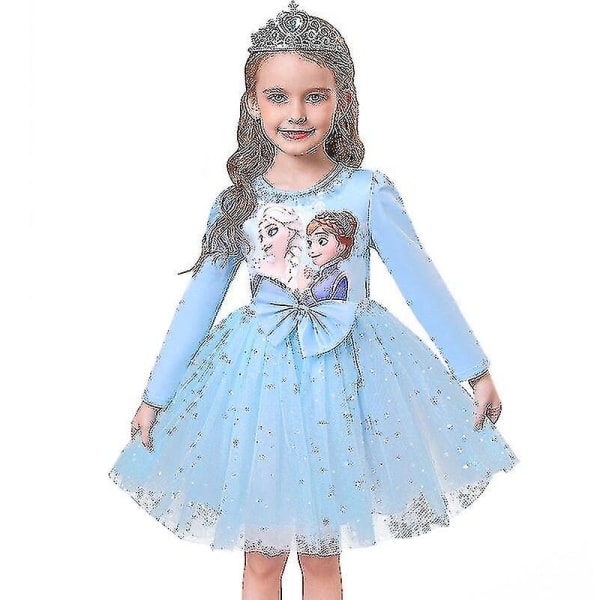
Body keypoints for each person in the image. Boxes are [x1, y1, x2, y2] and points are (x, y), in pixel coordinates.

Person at [108, 2, 519, 598]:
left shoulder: (367, 192)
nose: (296, 114)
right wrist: (156, 397)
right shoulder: (239, 200)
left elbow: (422, 282)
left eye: (314, 97)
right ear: (253, 103)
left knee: (322, 560)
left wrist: (474, 370)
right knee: (262, 558)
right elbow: (198, 303)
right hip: (258, 389)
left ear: (340, 99)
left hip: (340, 386)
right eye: (278, 96)